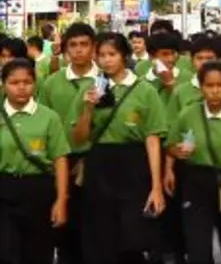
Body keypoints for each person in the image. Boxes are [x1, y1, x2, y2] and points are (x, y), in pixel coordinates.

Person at [70, 32, 167, 264]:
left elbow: (152, 139)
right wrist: (88, 109)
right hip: (99, 165)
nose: (107, 60)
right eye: (101, 55)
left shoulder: (144, 90)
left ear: (124, 56)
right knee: (100, 233)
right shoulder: (91, 88)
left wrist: (156, 186)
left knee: (133, 234)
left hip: (134, 165)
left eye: (112, 54)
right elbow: (79, 138)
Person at [165, 60, 221, 264]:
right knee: (198, 249)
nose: (215, 91)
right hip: (196, 182)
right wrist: (175, 154)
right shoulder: (188, 113)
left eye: (220, 85)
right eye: (209, 85)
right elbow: (170, 145)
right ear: (201, 86)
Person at [38, 22, 99, 264]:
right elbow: (44, 123)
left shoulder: (105, 81)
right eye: (72, 45)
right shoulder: (52, 83)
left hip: (96, 163)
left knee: (95, 230)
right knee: (64, 230)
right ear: (65, 51)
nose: (78, 50)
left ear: (94, 48)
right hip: (60, 163)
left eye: (84, 44)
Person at [0, 58, 69, 264]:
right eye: (14, 83)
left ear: (35, 83)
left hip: (38, 190)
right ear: (3, 85)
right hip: (4, 188)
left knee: (38, 251)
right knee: (5, 251)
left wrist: (61, 200)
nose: (21, 88)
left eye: (27, 82)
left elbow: (60, 159)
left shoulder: (49, 117)